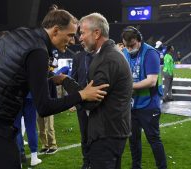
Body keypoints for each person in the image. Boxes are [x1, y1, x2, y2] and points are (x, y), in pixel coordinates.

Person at [0, 7, 109, 169]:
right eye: (70, 35)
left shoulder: (20, 33)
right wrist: (81, 95)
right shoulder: (39, 51)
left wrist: (49, 81)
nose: (73, 41)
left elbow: (16, 76)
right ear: (56, 31)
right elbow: (44, 107)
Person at [53, 12, 133, 169]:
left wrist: (65, 80)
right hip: (113, 131)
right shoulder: (109, 54)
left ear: (96, 33)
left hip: (106, 133)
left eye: (82, 33)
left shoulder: (108, 58)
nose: (79, 38)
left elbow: (90, 101)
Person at [121, 26, 167, 169]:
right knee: (133, 140)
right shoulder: (124, 52)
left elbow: (152, 80)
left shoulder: (150, 53)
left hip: (149, 105)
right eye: (126, 45)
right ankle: (136, 167)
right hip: (132, 105)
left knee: (153, 139)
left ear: (139, 40)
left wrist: (129, 86)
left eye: (132, 45)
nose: (129, 49)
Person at [70, 50, 92, 168]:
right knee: (84, 135)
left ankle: (96, 161)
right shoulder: (78, 56)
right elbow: (73, 79)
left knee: (97, 134)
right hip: (82, 103)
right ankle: (86, 162)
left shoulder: (100, 55)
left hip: (97, 104)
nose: (81, 39)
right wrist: (74, 101)